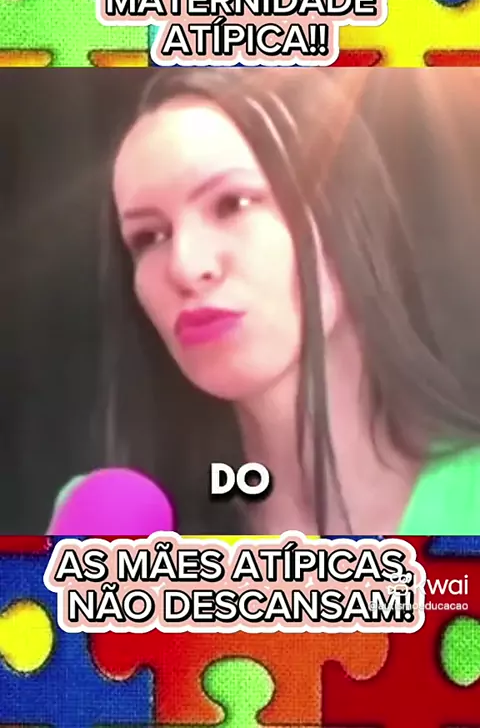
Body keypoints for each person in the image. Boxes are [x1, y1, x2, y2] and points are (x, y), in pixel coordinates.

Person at [51, 67, 480, 535]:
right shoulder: (103, 525)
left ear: (344, 215)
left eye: (232, 203)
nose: (186, 265)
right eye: (149, 237)